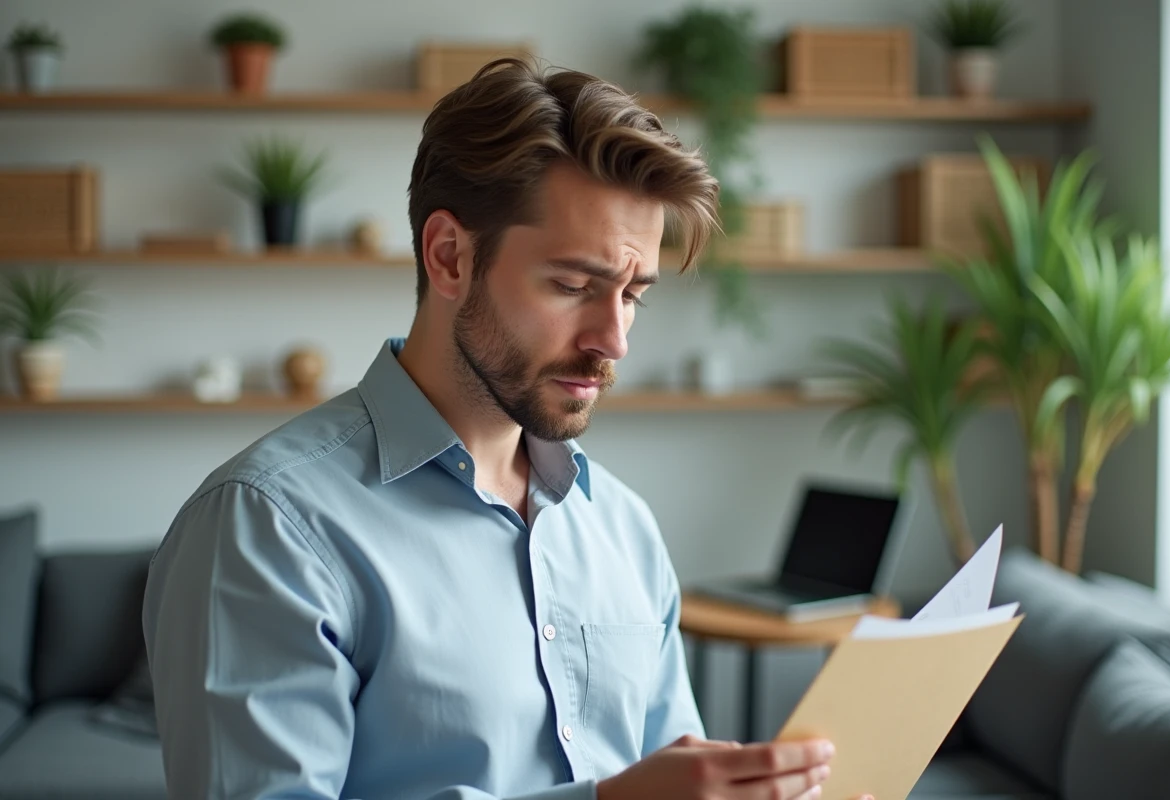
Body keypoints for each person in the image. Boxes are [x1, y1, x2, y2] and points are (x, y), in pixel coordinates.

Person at [143, 58, 868, 800]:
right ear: (449, 257)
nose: (614, 340)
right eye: (573, 285)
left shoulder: (622, 528)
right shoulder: (266, 526)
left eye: (632, 295)